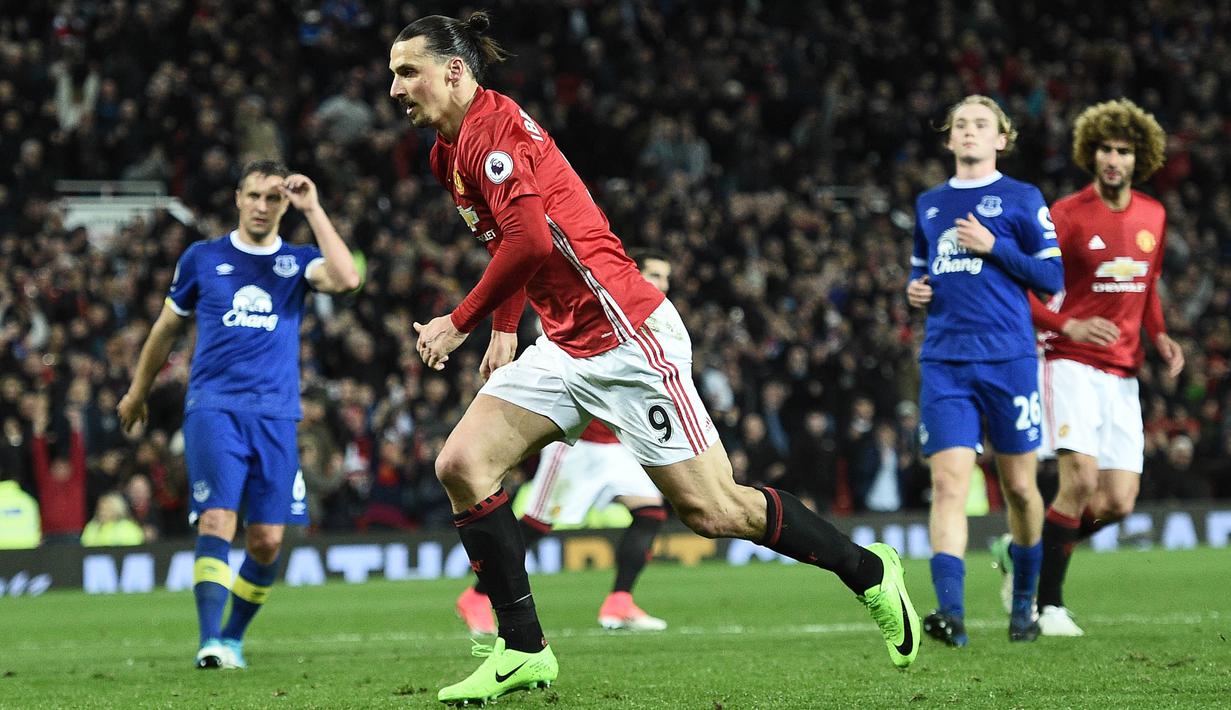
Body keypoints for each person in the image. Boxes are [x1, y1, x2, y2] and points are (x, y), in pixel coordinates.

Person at [389, 12, 919, 706]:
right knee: (462, 463)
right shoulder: (446, 150)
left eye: (407, 71)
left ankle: (868, 572)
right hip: (565, 345)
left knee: (715, 510)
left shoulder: (493, 135)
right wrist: (504, 329)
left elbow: (532, 246)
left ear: (453, 71)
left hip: (626, 338)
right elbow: (511, 243)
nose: (395, 87)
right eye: (393, 73)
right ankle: (522, 650)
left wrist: (462, 323)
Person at [118, 160, 360, 669]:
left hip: (275, 415)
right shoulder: (202, 258)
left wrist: (313, 208)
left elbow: (347, 277)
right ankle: (208, 642)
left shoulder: (295, 262)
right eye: (254, 196)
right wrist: (138, 391)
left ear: (283, 205)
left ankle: (230, 638)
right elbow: (165, 330)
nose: (262, 206)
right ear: (237, 197)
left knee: (268, 540)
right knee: (217, 518)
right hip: (214, 407)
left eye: (273, 199)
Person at [906, 95, 1064, 646]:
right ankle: (951, 614)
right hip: (946, 360)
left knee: (1020, 488)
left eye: (982, 125)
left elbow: (1051, 278)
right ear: (948, 139)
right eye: (961, 125)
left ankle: (1025, 605)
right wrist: (916, 291)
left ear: (1002, 138)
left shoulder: (1022, 198)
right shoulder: (929, 204)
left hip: (1009, 359)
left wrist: (995, 245)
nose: (970, 132)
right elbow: (923, 270)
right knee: (948, 484)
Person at [455, 249, 676, 635]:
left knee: (650, 512)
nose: (662, 284)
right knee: (537, 526)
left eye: (666, 277)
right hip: (575, 445)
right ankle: (476, 596)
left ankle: (619, 602)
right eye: (655, 273)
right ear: (634, 273)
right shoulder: (592, 303)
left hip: (615, 444)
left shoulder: (650, 317)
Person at [1028, 98, 1182, 636]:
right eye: (1104, 149)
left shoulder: (1153, 215)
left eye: (1123, 150)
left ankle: (1022, 554)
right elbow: (1025, 289)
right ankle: (1044, 605)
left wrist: (1159, 335)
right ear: (1089, 154)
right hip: (1070, 361)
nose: (1113, 159)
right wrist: (1065, 325)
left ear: (1140, 158)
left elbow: (1148, 284)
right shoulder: (1066, 215)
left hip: (1123, 373)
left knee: (1117, 501)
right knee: (1080, 480)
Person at [80, 491, 146, 547]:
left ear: (117, 509)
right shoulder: (92, 527)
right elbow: (85, 548)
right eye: (101, 508)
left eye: (107, 508)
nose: (102, 512)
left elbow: (135, 550)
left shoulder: (129, 528)